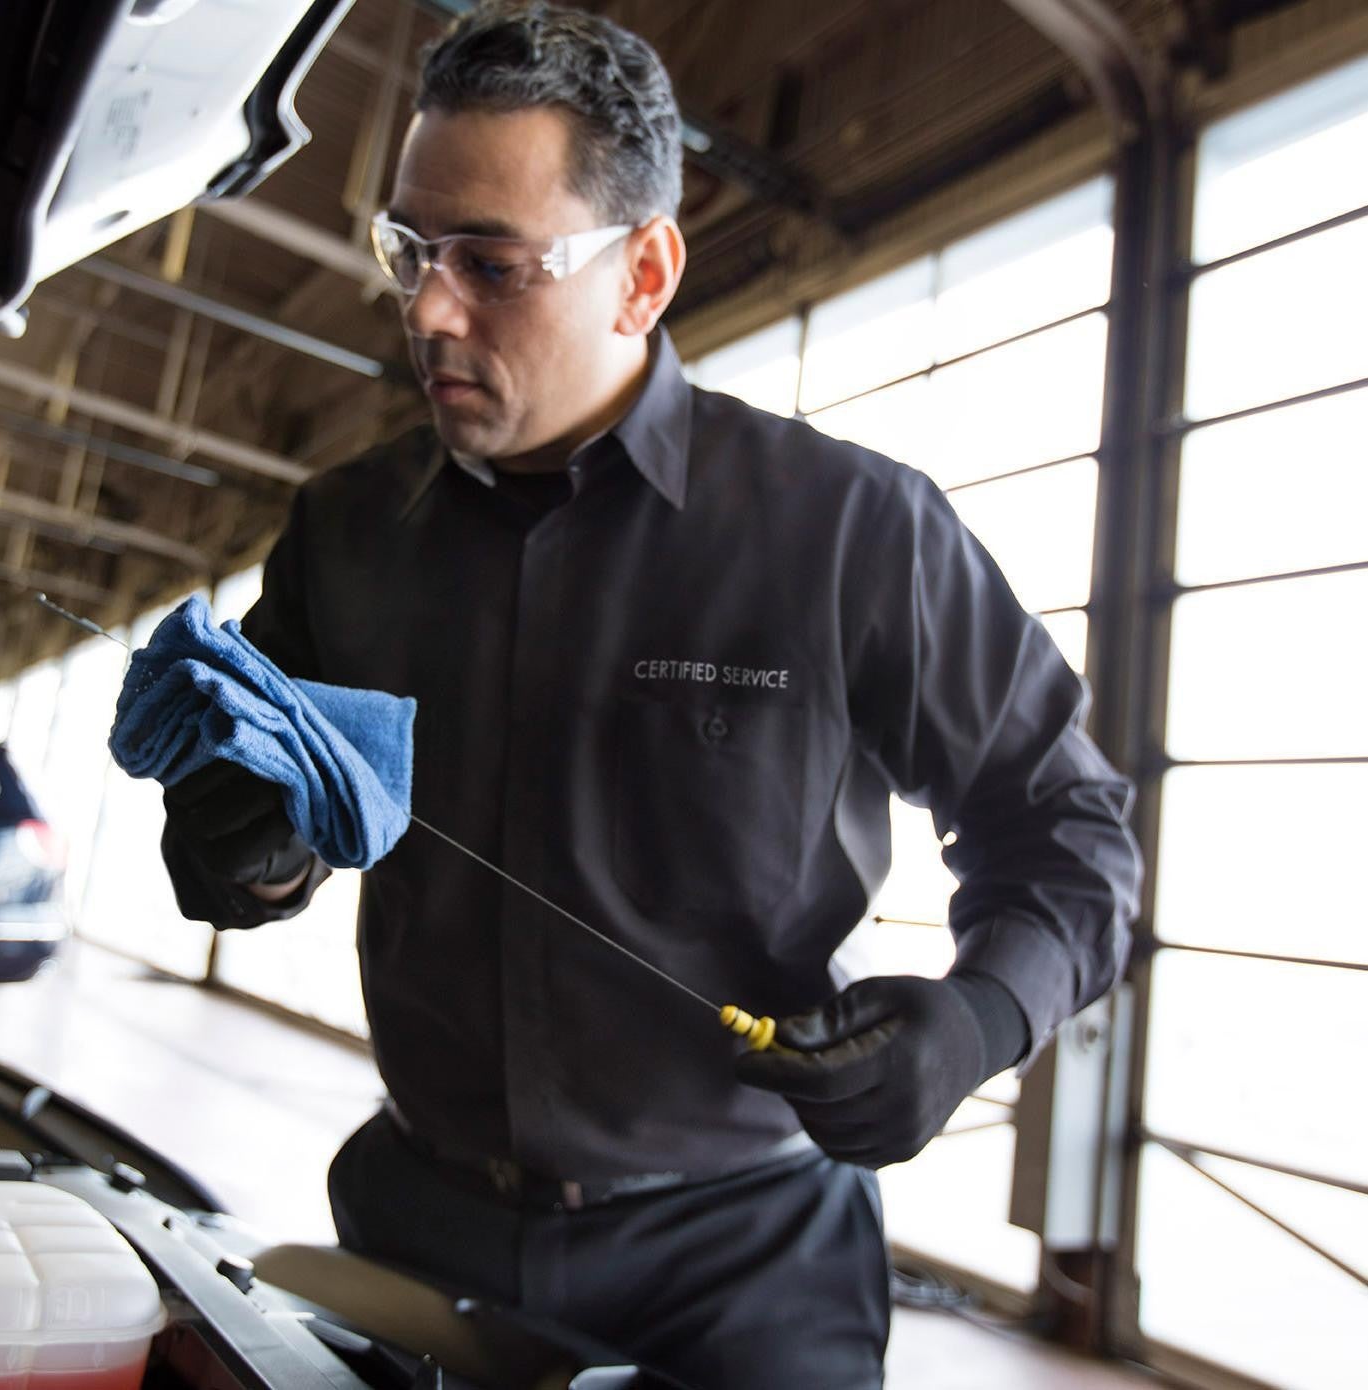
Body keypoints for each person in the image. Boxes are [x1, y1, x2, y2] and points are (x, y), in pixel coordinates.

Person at [159, 4, 1142, 1385]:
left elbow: (1068, 827)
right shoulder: (343, 535)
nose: (429, 310)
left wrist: (979, 1018)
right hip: (412, 1222)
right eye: (409, 252)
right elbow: (247, 831)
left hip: (742, 1266)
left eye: (491, 264)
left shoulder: (848, 530)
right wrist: (241, 854)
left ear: (643, 271)